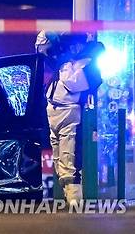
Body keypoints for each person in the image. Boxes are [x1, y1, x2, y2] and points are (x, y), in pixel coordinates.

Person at [35, 31, 104, 203]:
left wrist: (64, 62)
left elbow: (73, 83)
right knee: (59, 156)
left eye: (76, 44)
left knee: (69, 155)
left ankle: (74, 198)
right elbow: (41, 45)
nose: (73, 47)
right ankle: (69, 195)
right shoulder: (67, 59)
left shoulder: (85, 62)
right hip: (54, 111)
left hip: (69, 112)